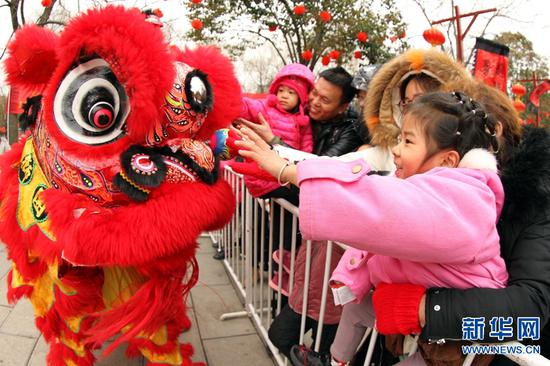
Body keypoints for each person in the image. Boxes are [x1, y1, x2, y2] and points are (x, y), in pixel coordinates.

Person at [235, 91, 507, 366]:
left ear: (447, 160)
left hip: (461, 340)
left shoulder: (463, 202)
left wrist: (287, 170)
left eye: (408, 141)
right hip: (431, 312)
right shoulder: (448, 193)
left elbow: (379, 204)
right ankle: (334, 361)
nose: (397, 149)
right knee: (358, 308)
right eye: (400, 138)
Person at [372, 79, 550, 365]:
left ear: (493, 133)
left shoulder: (536, 201)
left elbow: (530, 310)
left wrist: (423, 309)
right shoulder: (444, 185)